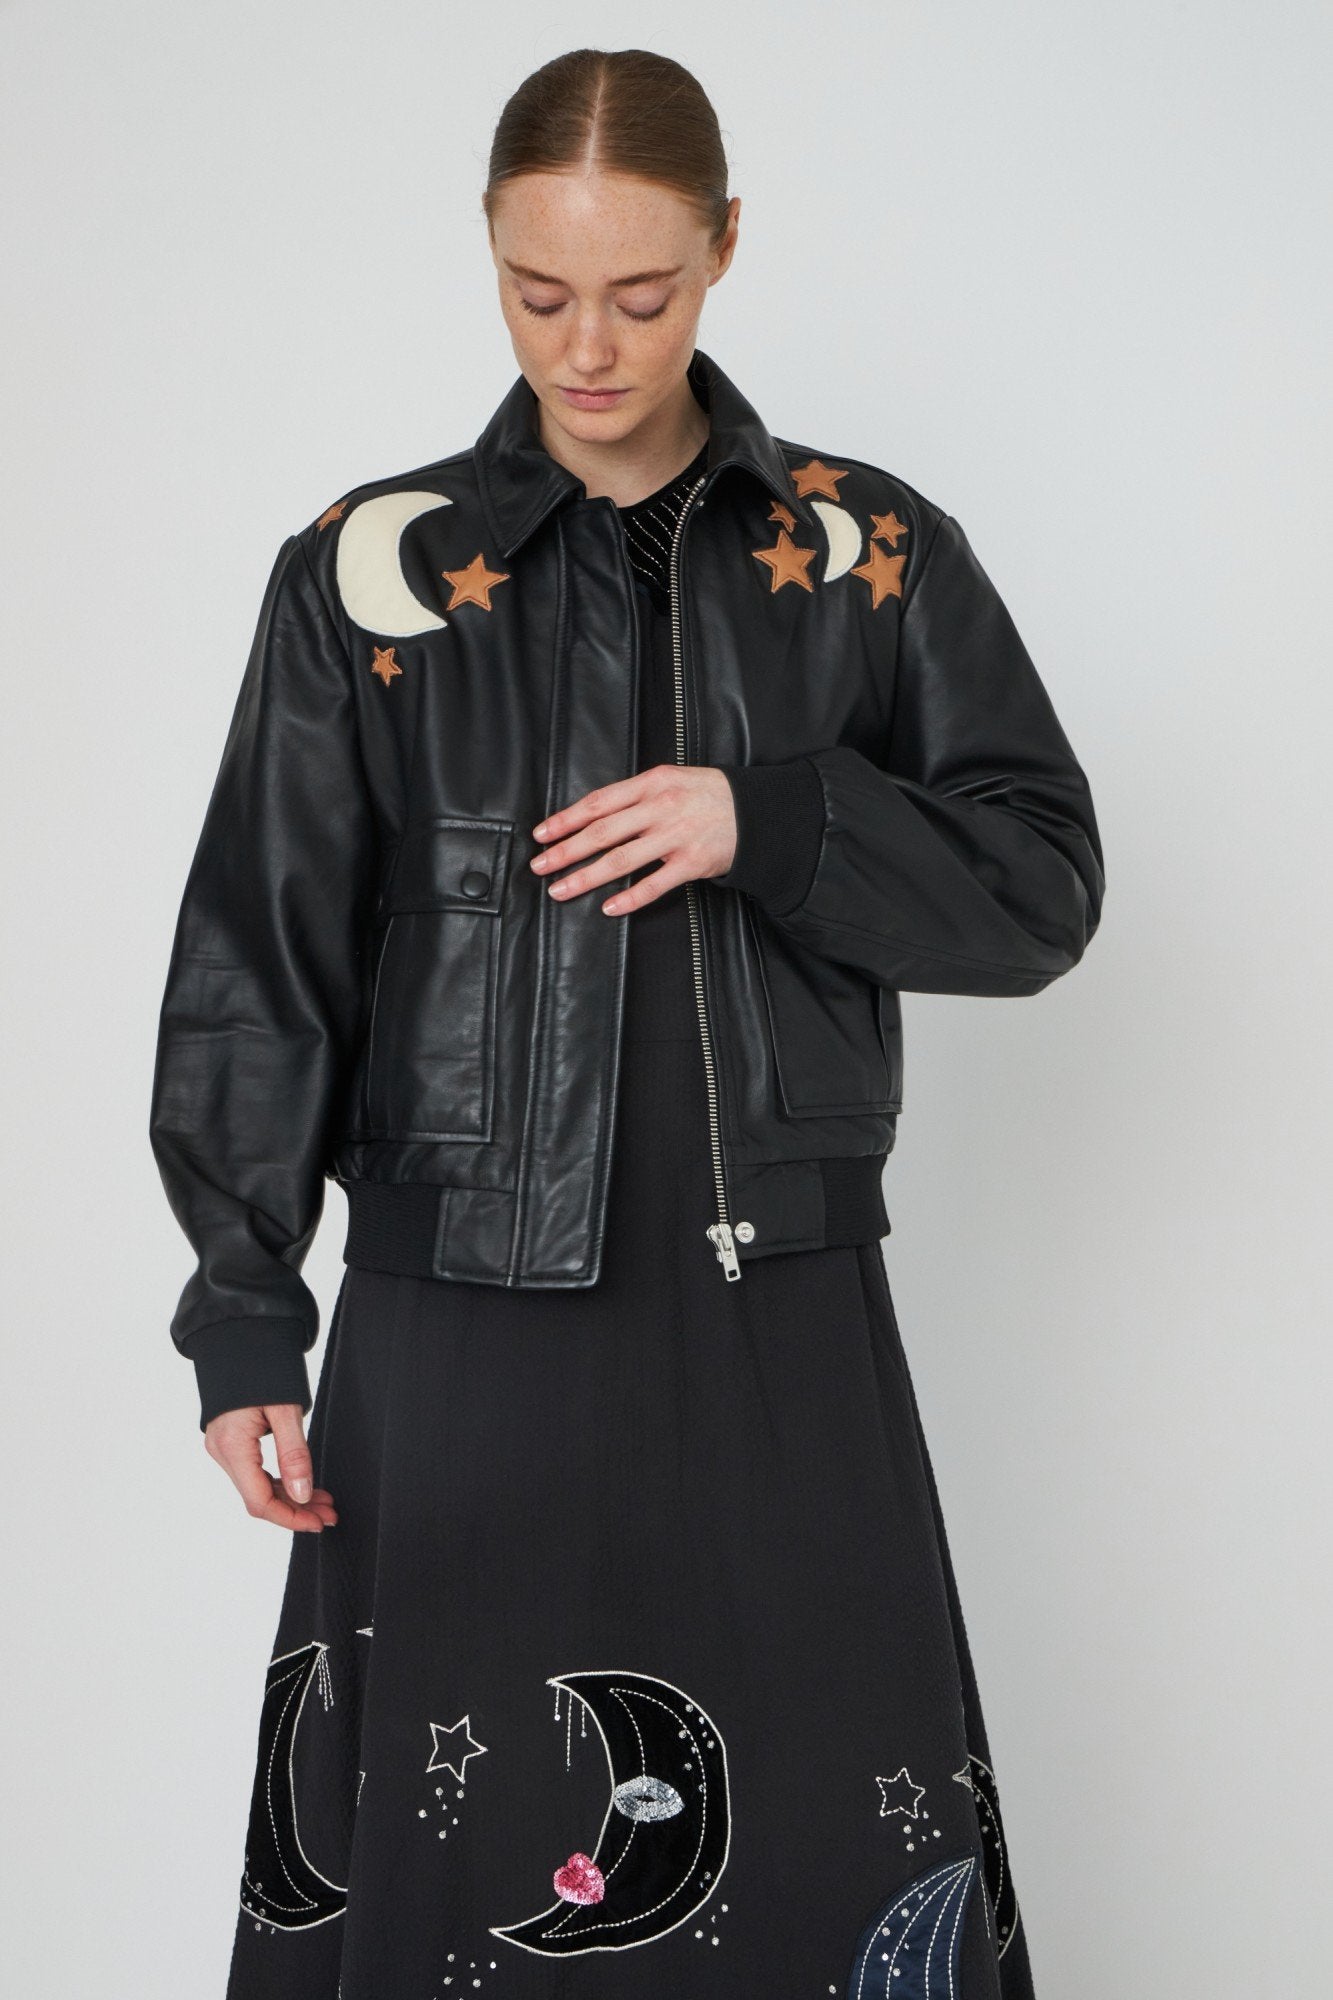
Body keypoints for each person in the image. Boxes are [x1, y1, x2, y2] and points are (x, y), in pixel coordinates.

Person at [149, 45, 1103, 2000]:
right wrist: (244, 1311)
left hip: (775, 1315)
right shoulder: (369, 574)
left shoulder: (867, 554)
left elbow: (1040, 886)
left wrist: (777, 821)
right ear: (490, 258)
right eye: (537, 290)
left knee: (830, 1847)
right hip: (459, 1327)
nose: (587, 346)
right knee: (469, 1862)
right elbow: (261, 951)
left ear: (725, 247)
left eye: (643, 293)